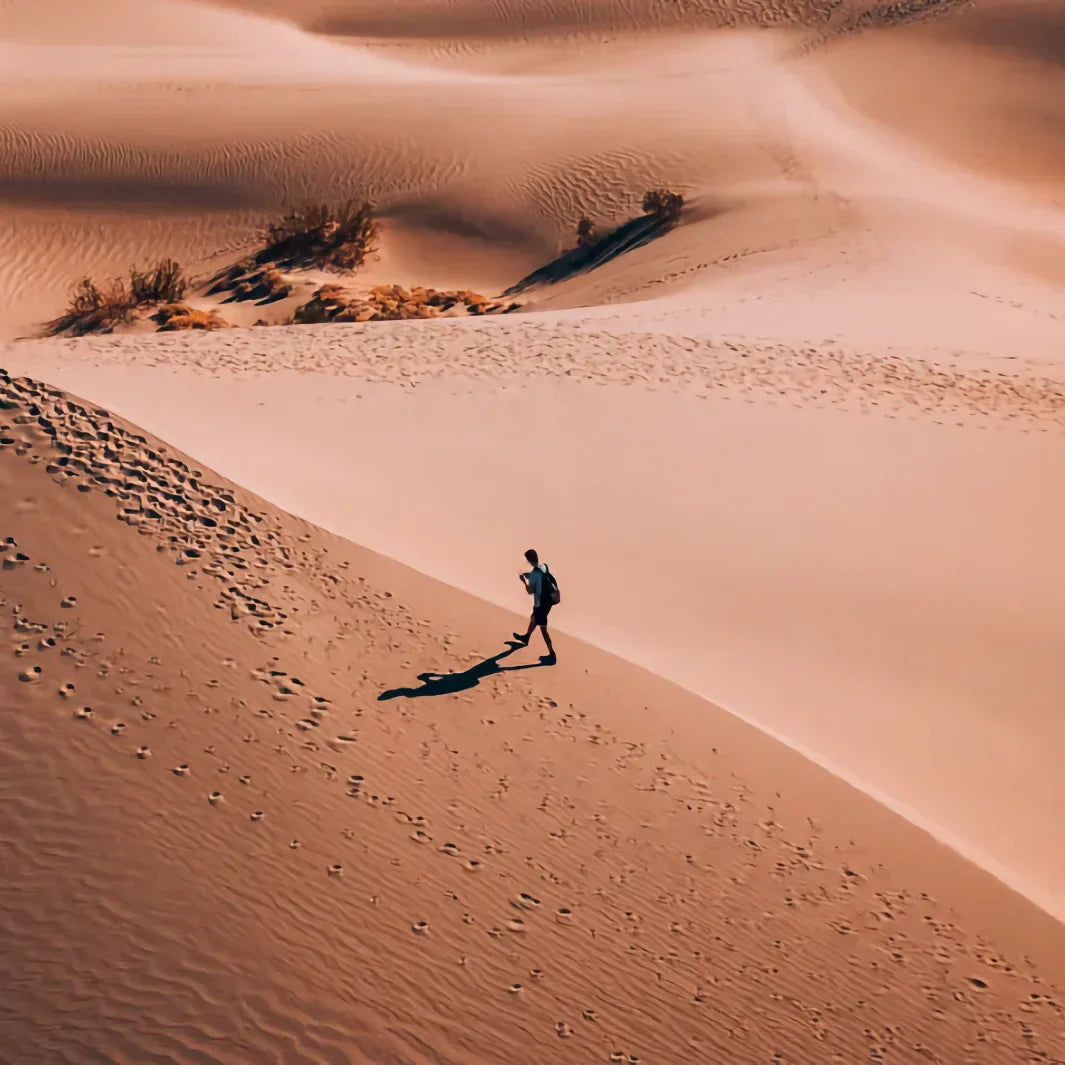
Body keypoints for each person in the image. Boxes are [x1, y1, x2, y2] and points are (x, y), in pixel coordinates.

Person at [513, 548, 555, 659]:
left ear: (529, 560)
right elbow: (542, 576)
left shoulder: (534, 575)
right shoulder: (543, 566)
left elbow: (530, 591)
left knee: (543, 629)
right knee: (533, 617)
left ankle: (552, 654)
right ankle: (526, 637)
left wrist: (524, 581)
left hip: (540, 604)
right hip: (548, 601)